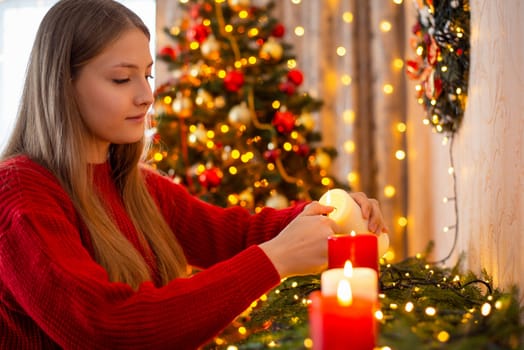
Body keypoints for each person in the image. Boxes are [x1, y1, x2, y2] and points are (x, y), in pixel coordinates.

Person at [0, 0, 388, 348]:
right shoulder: (18, 191)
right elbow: (105, 328)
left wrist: (331, 213)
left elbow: (234, 235)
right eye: (122, 78)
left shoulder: (136, 186)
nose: (146, 95)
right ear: (63, 86)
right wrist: (275, 260)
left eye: (148, 76)